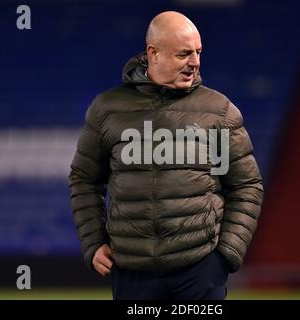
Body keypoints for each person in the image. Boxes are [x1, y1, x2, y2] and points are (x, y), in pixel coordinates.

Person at [69, 11, 263, 300]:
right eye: (184, 54)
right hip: (132, 274)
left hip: (200, 271)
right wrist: (94, 241)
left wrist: (226, 255)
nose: (195, 63)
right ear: (153, 53)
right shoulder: (107, 109)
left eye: (198, 53)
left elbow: (245, 186)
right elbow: (84, 180)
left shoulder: (218, 112)